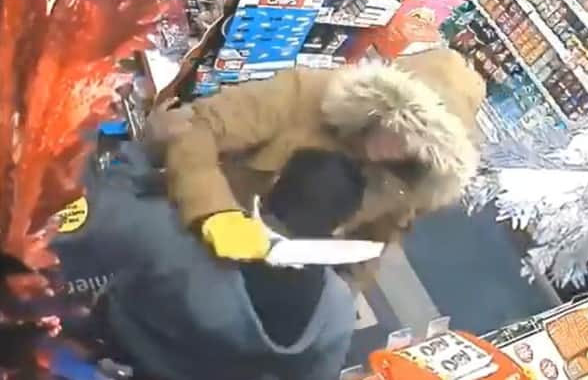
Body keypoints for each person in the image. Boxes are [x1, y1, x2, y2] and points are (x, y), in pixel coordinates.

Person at [155, 48, 486, 277]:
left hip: (268, 274)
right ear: (380, 106)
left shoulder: (403, 186)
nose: (395, 149)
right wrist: (215, 211)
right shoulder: (305, 95)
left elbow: (368, 251)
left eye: (415, 149)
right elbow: (197, 127)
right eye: (398, 129)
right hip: (185, 225)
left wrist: (329, 301)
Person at [60, 142, 366, 380]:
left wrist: (142, 151)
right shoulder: (337, 310)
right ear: (339, 227)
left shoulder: (176, 238)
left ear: (272, 186)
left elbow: (88, 221)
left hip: (110, 350)